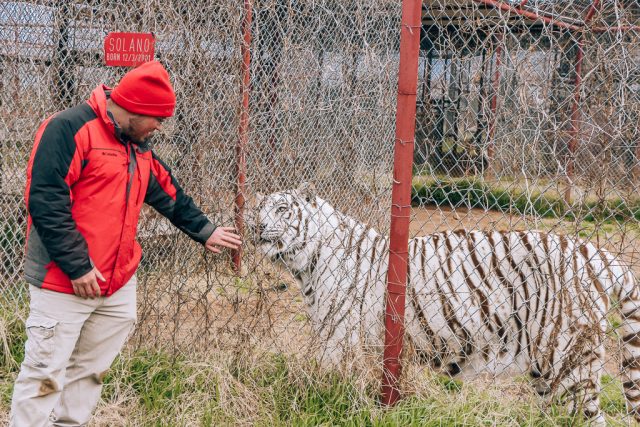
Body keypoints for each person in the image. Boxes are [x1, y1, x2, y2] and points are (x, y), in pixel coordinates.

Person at [10, 60, 242, 426]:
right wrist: (78, 265)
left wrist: (205, 229)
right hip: (63, 280)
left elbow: (166, 190)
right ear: (136, 108)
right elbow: (44, 200)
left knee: (89, 373)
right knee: (44, 374)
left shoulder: (137, 145)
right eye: (158, 119)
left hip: (115, 283)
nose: (160, 128)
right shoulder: (68, 129)